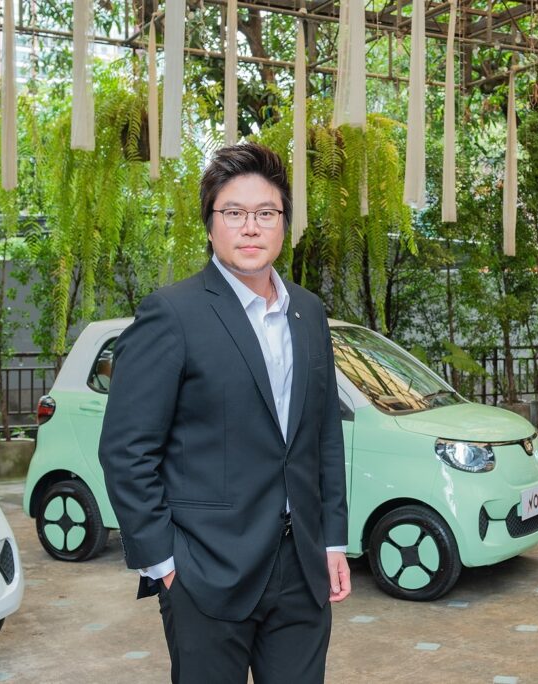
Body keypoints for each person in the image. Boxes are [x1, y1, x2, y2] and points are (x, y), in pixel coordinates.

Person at [98, 142, 350, 684]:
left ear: (284, 224)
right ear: (210, 224)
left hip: (302, 568)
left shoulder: (308, 312)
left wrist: (332, 540)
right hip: (206, 571)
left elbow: (323, 435)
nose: (251, 227)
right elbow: (126, 450)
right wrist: (165, 565)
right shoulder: (172, 313)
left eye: (266, 213)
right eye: (234, 213)